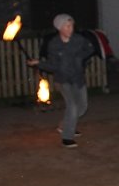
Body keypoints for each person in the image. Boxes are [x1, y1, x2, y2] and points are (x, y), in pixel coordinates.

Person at [27, 13, 96, 148]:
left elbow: (90, 49)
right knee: (72, 106)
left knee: (82, 107)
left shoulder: (78, 40)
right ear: (60, 28)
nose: (70, 29)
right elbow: (53, 65)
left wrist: (80, 58)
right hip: (63, 80)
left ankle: (64, 125)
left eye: (72, 26)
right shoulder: (54, 44)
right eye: (67, 26)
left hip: (78, 78)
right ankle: (67, 137)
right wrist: (38, 63)